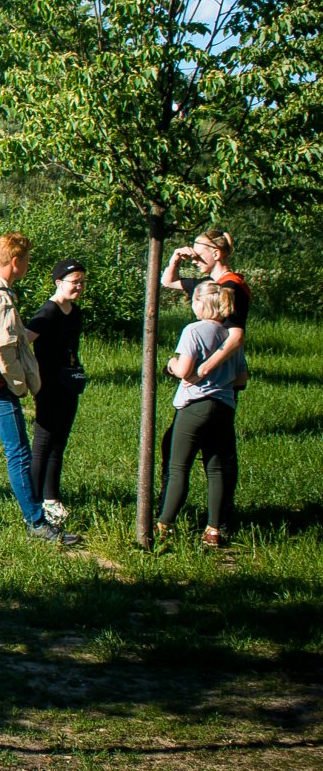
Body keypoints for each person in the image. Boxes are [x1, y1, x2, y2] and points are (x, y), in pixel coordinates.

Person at [0, 233, 81, 545]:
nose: (27, 266)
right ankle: (36, 522)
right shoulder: (0, 297)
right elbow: (3, 348)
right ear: (15, 262)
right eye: (26, 260)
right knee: (19, 453)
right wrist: (17, 384)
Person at [156, 280, 246, 546]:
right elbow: (241, 379)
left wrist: (171, 364)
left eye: (192, 301)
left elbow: (184, 370)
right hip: (224, 406)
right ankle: (214, 530)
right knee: (216, 468)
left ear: (200, 303)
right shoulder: (230, 337)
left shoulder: (194, 330)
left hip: (195, 405)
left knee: (178, 466)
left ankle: (164, 525)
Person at [27, 259, 88, 526]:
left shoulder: (75, 313)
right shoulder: (47, 313)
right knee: (43, 442)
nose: (79, 287)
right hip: (48, 386)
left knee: (59, 442)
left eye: (82, 282)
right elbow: (22, 341)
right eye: (75, 282)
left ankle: (52, 498)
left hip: (69, 383)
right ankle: (34, 501)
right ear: (59, 282)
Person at [161, 229, 249, 389]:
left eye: (198, 255)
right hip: (215, 375)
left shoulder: (232, 286)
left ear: (216, 254)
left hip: (220, 375)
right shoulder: (209, 284)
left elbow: (236, 337)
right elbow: (168, 281)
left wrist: (200, 372)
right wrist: (176, 259)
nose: (194, 260)